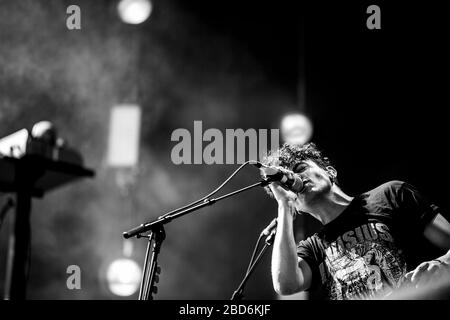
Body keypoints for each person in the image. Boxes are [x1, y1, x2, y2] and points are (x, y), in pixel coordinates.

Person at [263, 142, 450, 300]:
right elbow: (285, 285)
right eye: (289, 183)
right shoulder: (313, 248)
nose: (297, 179)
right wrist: (284, 204)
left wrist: (442, 264)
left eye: (301, 168)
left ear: (330, 172)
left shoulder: (391, 194)